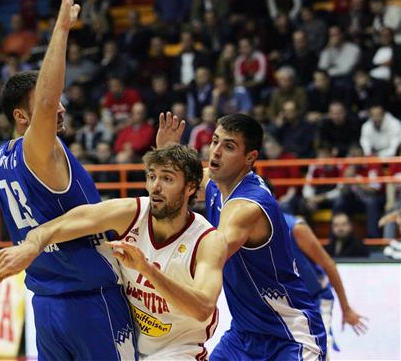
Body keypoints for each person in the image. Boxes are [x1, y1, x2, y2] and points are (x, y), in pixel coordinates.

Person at [0, 0, 136, 360]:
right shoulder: (37, 150)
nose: (60, 107)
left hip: (46, 306)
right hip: (90, 302)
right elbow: (46, 99)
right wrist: (61, 26)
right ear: (22, 116)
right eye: (48, 104)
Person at [0, 145, 226, 360]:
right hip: (129, 339)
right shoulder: (132, 213)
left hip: (179, 349)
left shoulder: (207, 240)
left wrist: (146, 270)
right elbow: (64, 223)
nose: (156, 187)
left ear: (190, 187)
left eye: (167, 179)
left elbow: (203, 307)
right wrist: (31, 246)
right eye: (152, 177)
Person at [156, 112, 327, 360]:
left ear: (250, 157)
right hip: (244, 335)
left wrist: (157, 263)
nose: (215, 151)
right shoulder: (217, 184)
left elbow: (215, 250)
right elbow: (185, 181)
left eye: (228, 146)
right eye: (215, 141)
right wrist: (169, 150)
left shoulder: (247, 207)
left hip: (289, 337)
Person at [283, 213, 367, 357]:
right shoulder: (249, 231)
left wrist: (346, 308)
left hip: (315, 297)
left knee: (321, 348)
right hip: (285, 301)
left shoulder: (294, 228)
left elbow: (329, 265)